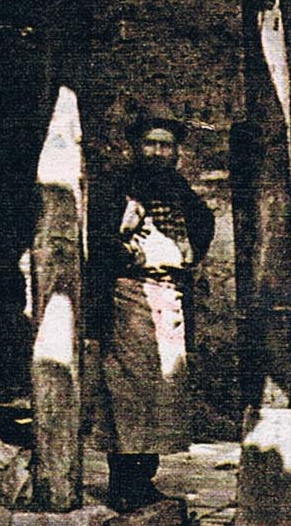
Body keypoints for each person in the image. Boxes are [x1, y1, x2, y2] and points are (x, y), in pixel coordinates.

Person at [86, 111, 215, 513]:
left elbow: (202, 223)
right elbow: (98, 239)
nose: (158, 152)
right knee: (129, 393)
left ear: (176, 151)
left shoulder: (177, 189)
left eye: (166, 145)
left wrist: (186, 254)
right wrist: (127, 249)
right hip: (129, 297)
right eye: (151, 144)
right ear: (136, 147)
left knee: (163, 393)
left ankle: (144, 481)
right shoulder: (117, 187)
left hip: (168, 296)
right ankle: (123, 482)